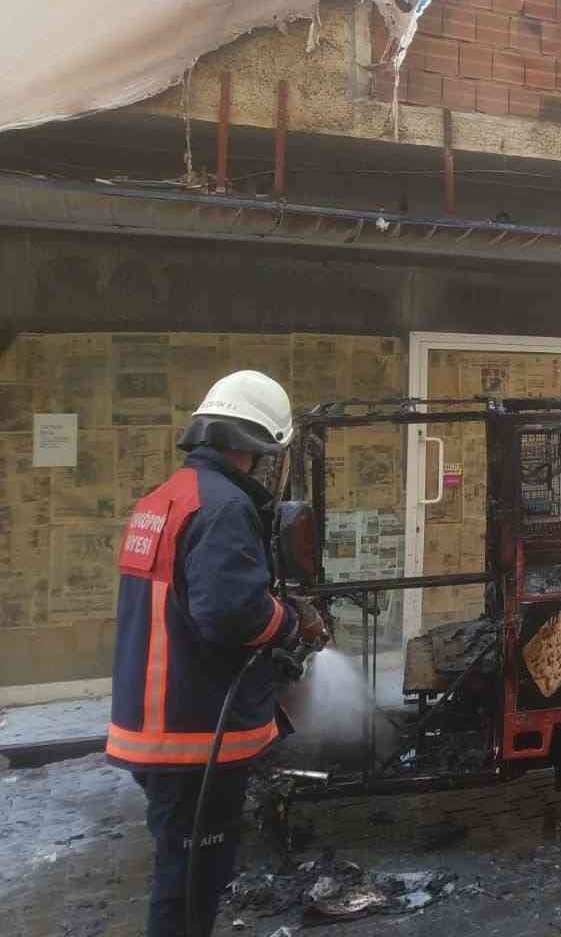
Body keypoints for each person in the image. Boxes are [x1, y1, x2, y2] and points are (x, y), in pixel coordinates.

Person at [108, 371, 323, 937]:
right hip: (195, 731)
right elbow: (232, 616)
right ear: (258, 446)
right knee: (189, 889)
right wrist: (287, 621)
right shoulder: (225, 507)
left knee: (182, 874)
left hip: (155, 722)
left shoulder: (164, 498)